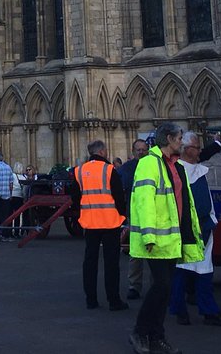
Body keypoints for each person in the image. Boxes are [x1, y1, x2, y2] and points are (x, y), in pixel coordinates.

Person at [129, 122, 204, 354]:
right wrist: (149, 234)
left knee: (166, 288)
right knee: (161, 285)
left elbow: (183, 203)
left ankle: (156, 336)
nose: (181, 142)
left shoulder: (176, 166)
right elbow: (144, 202)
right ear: (169, 139)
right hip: (156, 238)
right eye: (179, 138)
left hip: (173, 237)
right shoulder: (148, 164)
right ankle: (140, 332)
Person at [170, 132, 221, 327]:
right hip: (186, 229)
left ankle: (209, 311)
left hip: (205, 226)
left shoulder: (195, 166)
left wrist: (218, 141)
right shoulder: (176, 171)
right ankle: (180, 310)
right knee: (182, 270)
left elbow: (207, 153)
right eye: (197, 148)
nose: (200, 151)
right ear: (187, 150)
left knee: (205, 271)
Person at [73, 139, 128, 311]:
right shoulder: (109, 169)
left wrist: (82, 213)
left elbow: (75, 198)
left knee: (90, 261)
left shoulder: (79, 171)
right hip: (110, 221)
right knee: (111, 263)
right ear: (103, 152)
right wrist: (122, 215)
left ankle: (91, 300)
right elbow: (119, 196)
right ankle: (113, 300)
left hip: (89, 222)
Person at [118, 138, 151, 300]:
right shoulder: (126, 168)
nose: (141, 152)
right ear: (133, 151)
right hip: (135, 215)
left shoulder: (154, 166)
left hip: (153, 215)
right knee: (136, 252)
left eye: (144, 149)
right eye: (138, 149)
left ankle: (156, 286)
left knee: (155, 252)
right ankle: (134, 286)